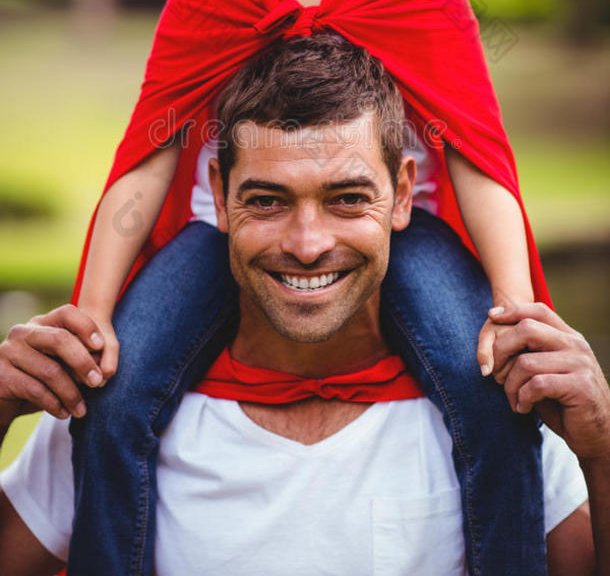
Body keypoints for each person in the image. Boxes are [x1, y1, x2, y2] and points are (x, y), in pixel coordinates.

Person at [67, 0, 552, 574]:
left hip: (407, 231)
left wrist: (515, 312)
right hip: (224, 232)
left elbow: (479, 162)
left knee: (492, 393)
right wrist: (94, 316)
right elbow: (144, 162)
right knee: (111, 399)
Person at [0, 37, 609, 576]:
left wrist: (602, 451)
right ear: (217, 194)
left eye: (347, 199)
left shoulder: (502, 407)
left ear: (403, 195)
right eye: (267, 201)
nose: (308, 244)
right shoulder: (111, 404)